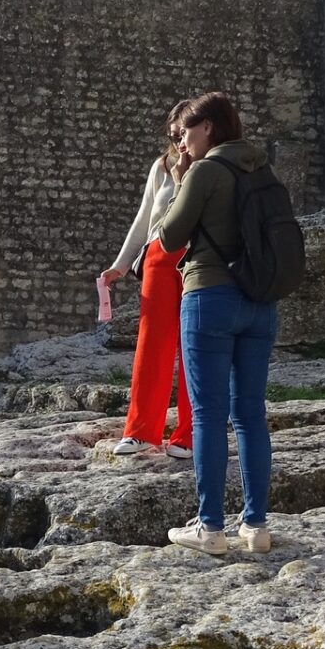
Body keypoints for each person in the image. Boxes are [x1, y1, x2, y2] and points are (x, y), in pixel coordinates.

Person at [154, 92, 275, 556]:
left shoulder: (205, 171)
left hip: (210, 297)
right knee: (251, 414)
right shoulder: (262, 169)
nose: (181, 142)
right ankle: (257, 526)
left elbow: (169, 236)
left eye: (185, 131)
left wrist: (180, 180)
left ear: (208, 127)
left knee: (207, 414)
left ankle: (210, 527)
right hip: (259, 301)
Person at [100, 99, 197, 460]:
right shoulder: (161, 167)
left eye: (183, 133)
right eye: (173, 135)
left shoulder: (212, 166)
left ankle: (189, 434)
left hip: (198, 258)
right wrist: (120, 265)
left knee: (194, 344)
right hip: (158, 257)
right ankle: (141, 431)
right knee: (151, 343)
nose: (179, 141)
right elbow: (145, 219)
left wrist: (186, 175)